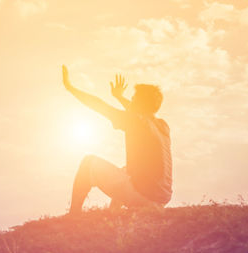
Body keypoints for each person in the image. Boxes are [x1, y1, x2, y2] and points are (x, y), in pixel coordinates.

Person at [62, 65, 172, 214]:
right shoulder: (162, 126)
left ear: (139, 103)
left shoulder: (134, 120)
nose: (130, 101)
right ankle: (114, 212)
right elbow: (139, 111)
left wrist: (71, 88)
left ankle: (73, 215)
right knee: (126, 169)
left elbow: (99, 105)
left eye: (133, 99)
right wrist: (119, 97)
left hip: (143, 196)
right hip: (162, 198)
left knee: (88, 163)